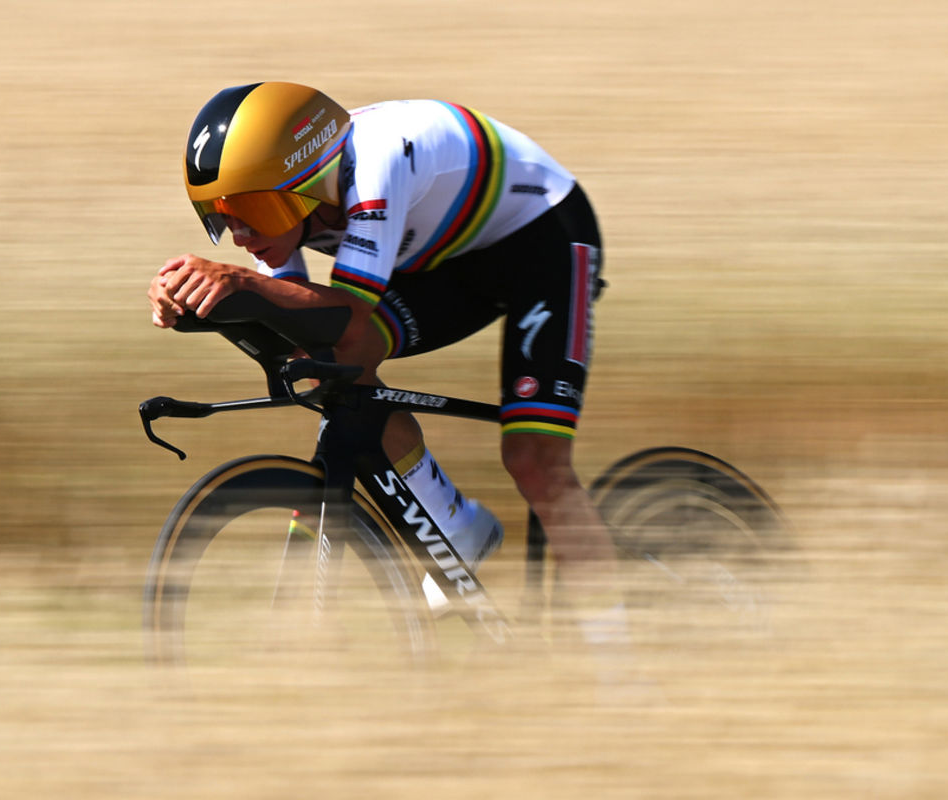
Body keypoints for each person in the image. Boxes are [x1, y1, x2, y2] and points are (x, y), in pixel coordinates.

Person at [148, 82, 627, 649]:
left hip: (541, 243)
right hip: (440, 257)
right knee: (327, 363)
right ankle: (454, 523)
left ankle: (620, 671)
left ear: (305, 185)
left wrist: (243, 284)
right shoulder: (295, 193)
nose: (240, 234)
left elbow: (347, 319)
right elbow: (303, 331)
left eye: (250, 209)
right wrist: (199, 305)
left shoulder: (376, 165)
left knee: (534, 461)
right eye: (220, 215)